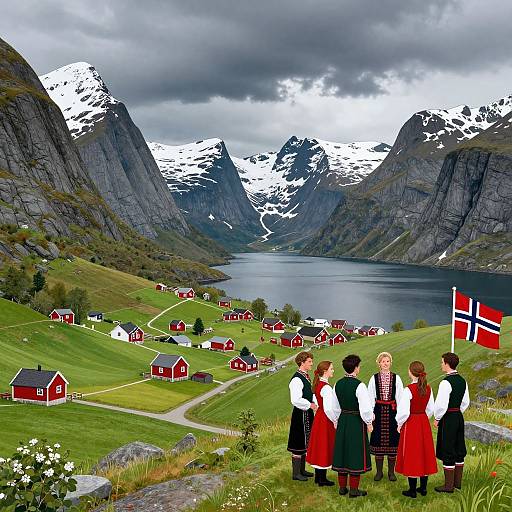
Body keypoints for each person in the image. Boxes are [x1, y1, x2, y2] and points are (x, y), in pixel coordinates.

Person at [326, 354, 374, 498]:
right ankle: (353, 490)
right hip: (355, 421)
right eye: (359, 366)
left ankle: (342, 488)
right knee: (355, 454)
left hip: (342, 420)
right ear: (356, 368)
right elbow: (365, 409)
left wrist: (336, 420)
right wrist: (369, 421)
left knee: (342, 452)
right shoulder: (360, 385)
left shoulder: (338, 384)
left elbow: (333, 407)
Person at [395, 361, 437, 498]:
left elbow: (403, 412)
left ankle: (412, 490)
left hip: (411, 423)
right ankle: (423, 488)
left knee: (412, 453)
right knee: (424, 452)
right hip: (423, 421)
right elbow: (431, 408)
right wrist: (423, 417)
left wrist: (399, 424)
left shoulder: (408, 390)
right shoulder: (428, 388)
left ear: (411, 372)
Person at [433, 352, 470, 493]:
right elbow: (466, 402)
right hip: (458, 416)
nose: (441, 364)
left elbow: (441, 404)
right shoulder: (462, 380)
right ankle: (457, 484)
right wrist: (457, 411)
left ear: (447, 364)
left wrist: (437, 418)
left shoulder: (445, 382)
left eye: (442, 362)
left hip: (448, 418)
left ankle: (448, 486)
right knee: (459, 448)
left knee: (448, 448)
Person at [368, 351, 404, 482]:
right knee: (378, 441)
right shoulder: (374, 378)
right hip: (378, 411)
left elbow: (400, 397)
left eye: (387, 361)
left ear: (390, 363)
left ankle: (391, 472)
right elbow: (370, 396)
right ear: (379, 363)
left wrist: (400, 415)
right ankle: (378, 472)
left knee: (393, 442)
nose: (385, 363)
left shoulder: (397, 378)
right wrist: (371, 414)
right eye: (383, 361)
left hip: (392, 412)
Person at [287, 351, 318, 481]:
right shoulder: (296, 379)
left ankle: (302, 470)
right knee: (298, 442)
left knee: (306, 442)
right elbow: (295, 399)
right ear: (302, 362)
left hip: (307, 413)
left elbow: (310, 394)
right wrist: (309, 405)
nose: (312, 364)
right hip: (300, 414)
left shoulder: (305, 376)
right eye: (309, 361)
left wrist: (315, 404)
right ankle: (296, 474)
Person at [306, 360, 337, 487]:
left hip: (319, 417)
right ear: (325, 371)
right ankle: (322, 479)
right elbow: (329, 408)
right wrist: (335, 420)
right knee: (324, 446)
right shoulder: (326, 388)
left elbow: (316, 402)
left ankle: (319, 477)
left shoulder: (318, 384)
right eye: (331, 368)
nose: (333, 370)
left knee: (319, 446)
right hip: (325, 419)